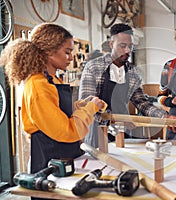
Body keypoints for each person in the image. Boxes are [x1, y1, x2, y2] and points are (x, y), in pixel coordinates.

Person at [0, 23, 106, 179]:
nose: (71, 58)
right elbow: (65, 130)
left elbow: (58, 111)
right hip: (50, 161)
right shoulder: (38, 85)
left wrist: (81, 105)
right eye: (67, 52)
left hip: (64, 156)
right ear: (49, 52)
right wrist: (89, 109)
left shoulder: (52, 79)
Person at [79, 23, 170, 147]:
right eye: (123, 46)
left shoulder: (132, 72)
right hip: (98, 131)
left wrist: (164, 116)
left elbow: (142, 103)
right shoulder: (94, 67)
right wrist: (113, 118)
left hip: (123, 132)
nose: (127, 50)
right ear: (112, 44)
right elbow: (85, 104)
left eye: (130, 46)